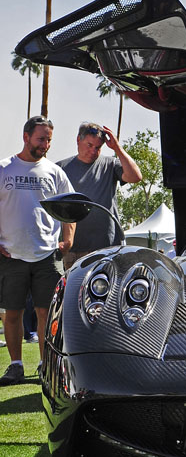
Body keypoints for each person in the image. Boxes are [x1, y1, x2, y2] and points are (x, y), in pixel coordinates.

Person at [0, 117, 75, 385]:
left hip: (47, 255)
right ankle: (16, 366)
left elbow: (70, 210)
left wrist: (67, 242)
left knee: (46, 312)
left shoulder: (55, 172)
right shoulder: (4, 169)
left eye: (49, 140)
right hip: (11, 254)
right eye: (41, 138)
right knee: (13, 313)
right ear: (26, 136)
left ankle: (46, 365)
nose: (45, 144)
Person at [58, 122, 142, 267]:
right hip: (72, 250)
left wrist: (117, 148)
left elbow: (135, 177)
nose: (93, 151)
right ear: (78, 139)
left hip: (106, 248)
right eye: (89, 145)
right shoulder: (60, 168)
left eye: (98, 147)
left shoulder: (110, 165)